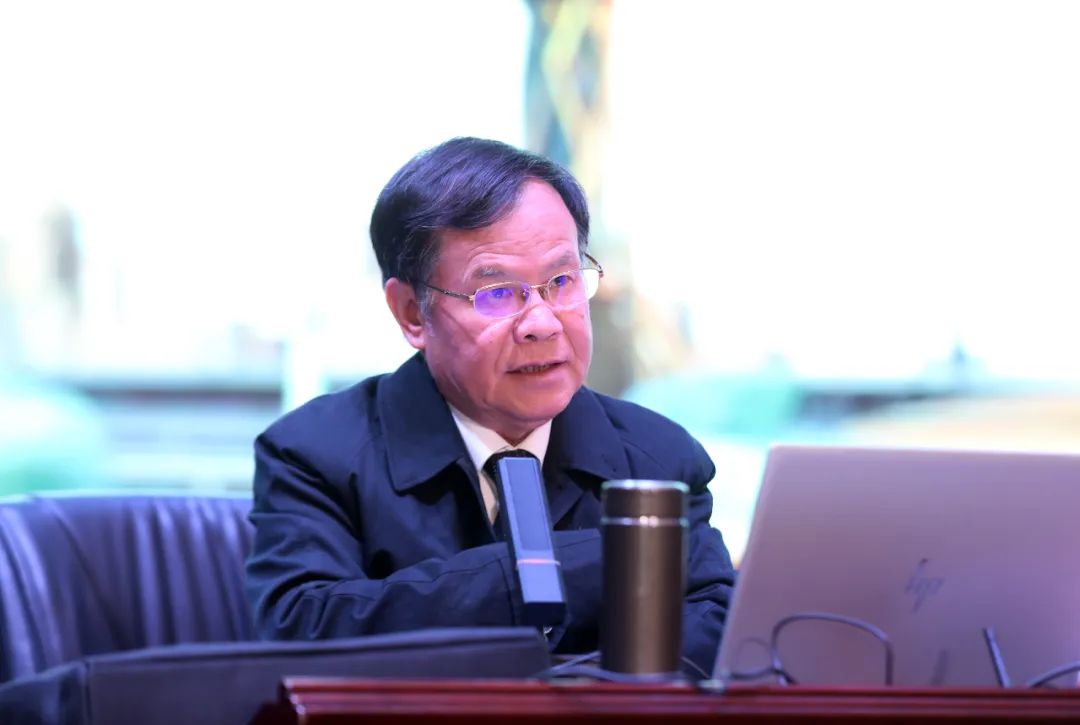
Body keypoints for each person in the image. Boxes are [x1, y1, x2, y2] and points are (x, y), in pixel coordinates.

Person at [245, 137, 736, 675]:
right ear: (411, 313)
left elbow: (716, 631)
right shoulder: (317, 454)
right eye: (498, 293)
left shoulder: (659, 459)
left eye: (562, 281)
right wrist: (568, 566)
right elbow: (303, 629)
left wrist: (570, 694)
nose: (542, 323)